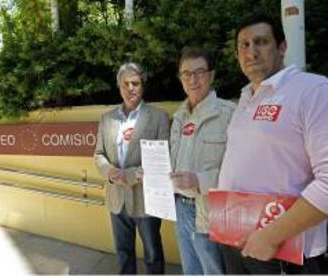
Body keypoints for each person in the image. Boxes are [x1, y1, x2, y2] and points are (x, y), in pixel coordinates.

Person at [218, 11, 328, 274]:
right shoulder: (245, 98)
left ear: (282, 47)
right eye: (244, 45)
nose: (251, 51)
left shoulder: (312, 90)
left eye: (261, 42)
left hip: (283, 251)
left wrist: (270, 237)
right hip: (235, 241)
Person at [94, 62, 169, 274]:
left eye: (135, 83)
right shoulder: (106, 119)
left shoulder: (159, 117)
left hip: (146, 199)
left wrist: (126, 175)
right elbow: (98, 154)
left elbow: (161, 158)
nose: (130, 88)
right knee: (123, 253)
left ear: (143, 85)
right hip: (117, 199)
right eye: (125, 84)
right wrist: (109, 172)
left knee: (153, 254)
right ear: (119, 87)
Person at [169, 47, 235, 274]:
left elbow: (237, 172)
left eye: (199, 72)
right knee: (191, 271)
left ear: (212, 75)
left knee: (213, 271)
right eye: (186, 74)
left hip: (210, 210)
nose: (192, 79)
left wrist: (198, 180)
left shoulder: (229, 114)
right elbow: (171, 161)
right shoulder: (178, 116)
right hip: (181, 208)